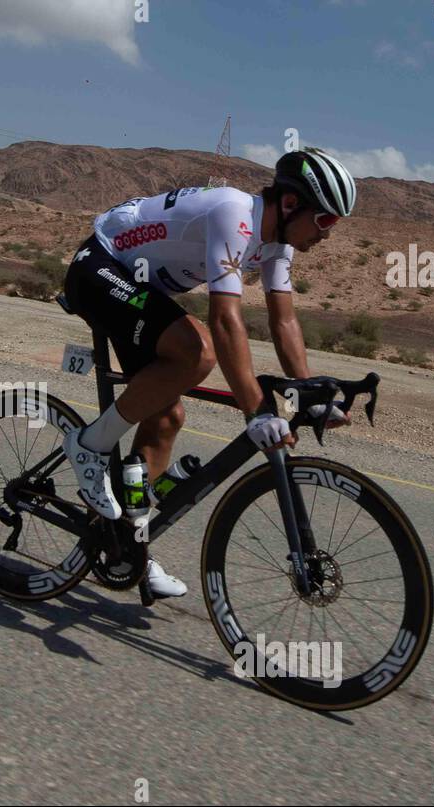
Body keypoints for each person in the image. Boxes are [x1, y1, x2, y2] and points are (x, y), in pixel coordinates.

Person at [60, 147, 357, 598]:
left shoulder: (278, 245)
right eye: (327, 221)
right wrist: (257, 411)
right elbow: (224, 321)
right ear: (292, 204)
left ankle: (130, 542)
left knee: (165, 419)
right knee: (196, 351)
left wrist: (309, 393)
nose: (328, 234)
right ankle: (89, 446)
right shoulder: (235, 212)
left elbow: (284, 322)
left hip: (138, 288)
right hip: (100, 268)